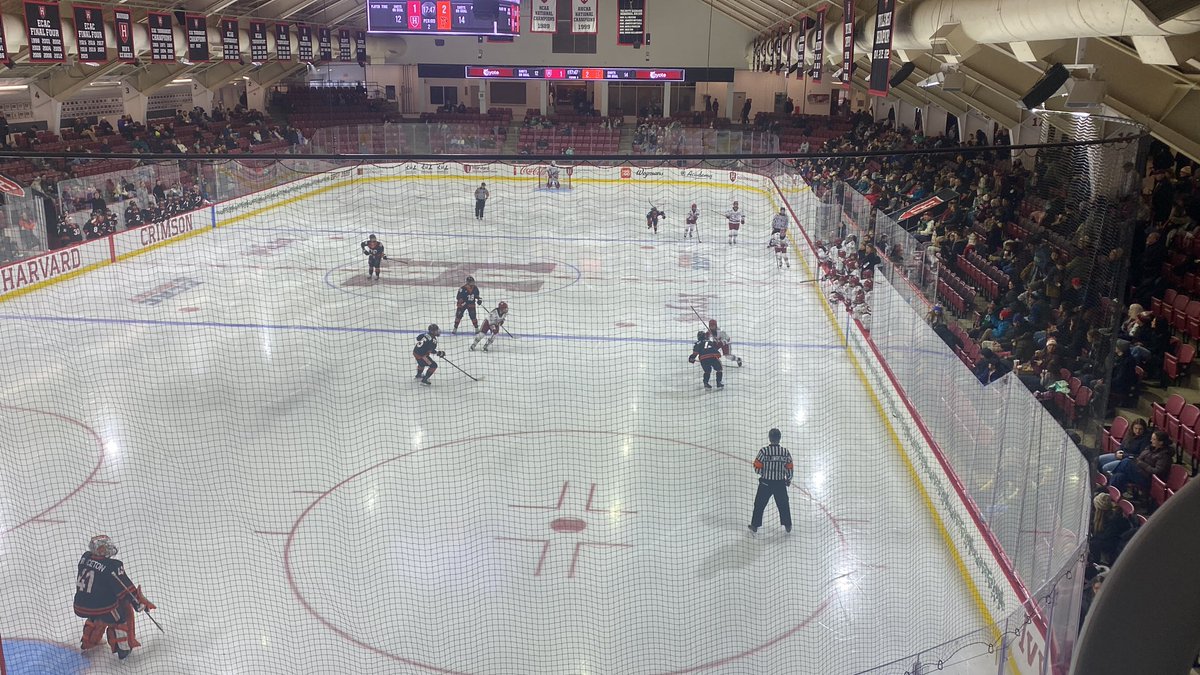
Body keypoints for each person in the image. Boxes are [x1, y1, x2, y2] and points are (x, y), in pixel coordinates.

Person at [73, 535, 156, 661]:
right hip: (102, 607)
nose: (109, 549)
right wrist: (138, 603)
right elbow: (125, 589)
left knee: (96, 615)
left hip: (80, 605)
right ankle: (123, 650)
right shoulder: (112, 566)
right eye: (105, 547)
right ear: (100, 549)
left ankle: (89, 642)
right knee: (121, 618)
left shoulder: (85, 558)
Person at [748, 428, 793, 533]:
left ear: (769, 438)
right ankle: (788, 525)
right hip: (780, 484)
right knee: (783, 504)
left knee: (759, 504)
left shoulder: (764, 451)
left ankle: (755, 525)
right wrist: (788, 478)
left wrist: (763, 472)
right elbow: (789, 467)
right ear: (779, 438)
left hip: (765, 483)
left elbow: (757, 466)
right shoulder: (785, 452)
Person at [1108, 429, 1173, 494]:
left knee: (1127, 462)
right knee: (1118, 476)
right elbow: (1139, 458)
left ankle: (1112, 473)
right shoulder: (1149, 448)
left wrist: (1141, 463)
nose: (1151, 441)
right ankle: (1110, 495)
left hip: (1148, 478)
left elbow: (1156, 471)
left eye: (1154, 439)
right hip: (1140, 471)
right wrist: (1138, 462)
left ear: (1161, 442)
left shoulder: (1164, 456)